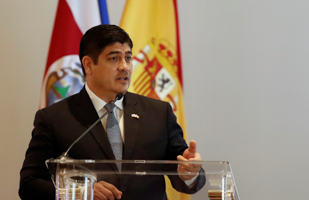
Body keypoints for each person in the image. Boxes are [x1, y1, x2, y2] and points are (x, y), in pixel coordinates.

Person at [19, 24, 205, 200]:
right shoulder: (54, 118)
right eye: (114, 58)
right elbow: (29, 185)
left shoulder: (158, 113)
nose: (125, 66)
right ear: (88, 65)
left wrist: (190, 172)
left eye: (128, 58)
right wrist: (81, 192)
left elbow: (187, 179)